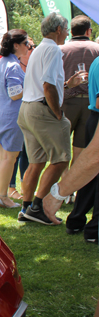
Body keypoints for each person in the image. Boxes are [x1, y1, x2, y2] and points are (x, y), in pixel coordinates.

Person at [17, 12, 83, 225]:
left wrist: (65, 85)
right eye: (65, 30)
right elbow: (47, 86)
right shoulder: (53, 49)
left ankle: (27, 208)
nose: (67, 33)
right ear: (58, 30)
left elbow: (42, 83)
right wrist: (57, 112)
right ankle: (38, 208)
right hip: (42, 110)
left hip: (27, 109)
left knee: (36, 162)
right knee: (61, 159)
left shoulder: (37, 50)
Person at [0, 29, 31, 209]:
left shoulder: (2, 62)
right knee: (9, 158)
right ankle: (3, 195)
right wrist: (33, 86)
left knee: (2, 157)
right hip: (11, 117)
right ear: (16, 45)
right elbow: (14, 94)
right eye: (26, 43)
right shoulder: (12, 66)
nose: (28, 46)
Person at [60, 15, 99, 206]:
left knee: (62, 150)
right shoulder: (97, 49)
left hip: (66, 103)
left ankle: (63, 190)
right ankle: (73, 191)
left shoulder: (61, 50)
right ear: (88, 31)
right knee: (81, 150)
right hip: (90, 104)